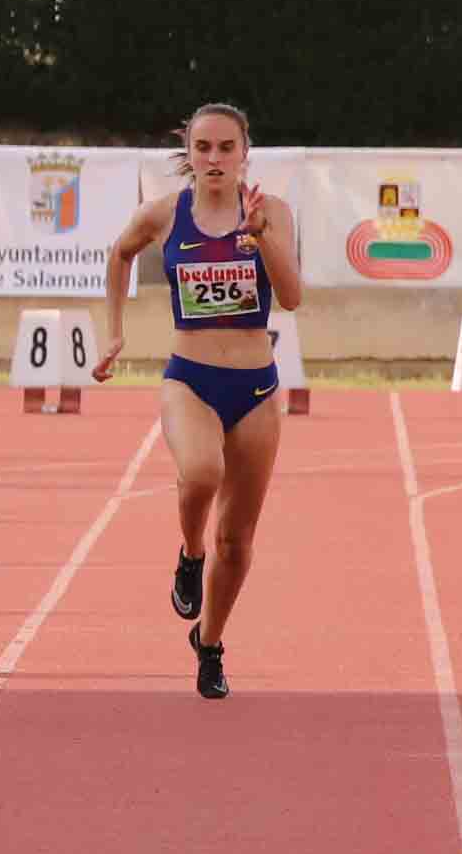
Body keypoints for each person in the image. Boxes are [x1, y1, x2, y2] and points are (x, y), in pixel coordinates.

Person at [96, 104, 305, 700]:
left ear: (245, 153)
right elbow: (119, 254)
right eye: (203, 147)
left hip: (257, 388)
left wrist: (263, 239)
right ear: (188, 153)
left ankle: (209, 643)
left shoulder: (273, 214)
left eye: (226, 148)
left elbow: (291, 298)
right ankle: (189, 554)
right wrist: (113, 330)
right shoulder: (164, 214)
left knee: (237, 543)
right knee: (200, 473)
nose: (214, 159)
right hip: (189, 377)